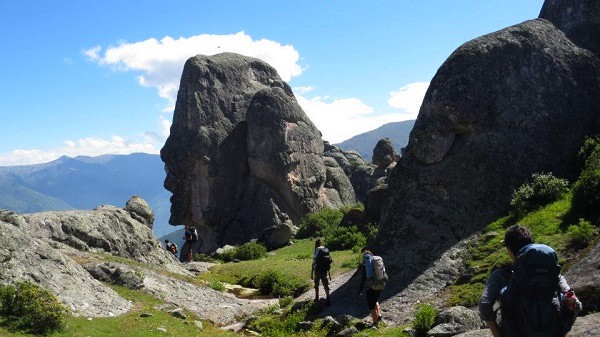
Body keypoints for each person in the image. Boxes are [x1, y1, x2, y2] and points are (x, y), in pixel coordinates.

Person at [479, 224, 581, 337]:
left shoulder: (501, 275)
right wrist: (561, 332)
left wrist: (497, 334)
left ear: (510, 251)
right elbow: (575, 304)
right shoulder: (551, 272)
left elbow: (484, 305)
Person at [358, 248, 384, 328]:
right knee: (375, 300)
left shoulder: (366, 266)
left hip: (372, 287)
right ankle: (379, 315)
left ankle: (375, 324)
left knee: (371, 306)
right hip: (381, 285)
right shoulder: (378, 262)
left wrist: (360, 290)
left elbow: (363, 279)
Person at [311, 238, 332, 306]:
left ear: (315, 244)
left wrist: (311, 272)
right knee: (325, 284)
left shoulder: (316, 251)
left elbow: (313, 262)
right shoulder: (325, 250)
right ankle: (328, 298)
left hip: (317, 270)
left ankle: (317, 297)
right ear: (321, 243)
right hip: (324, 270)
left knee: (316, 284)